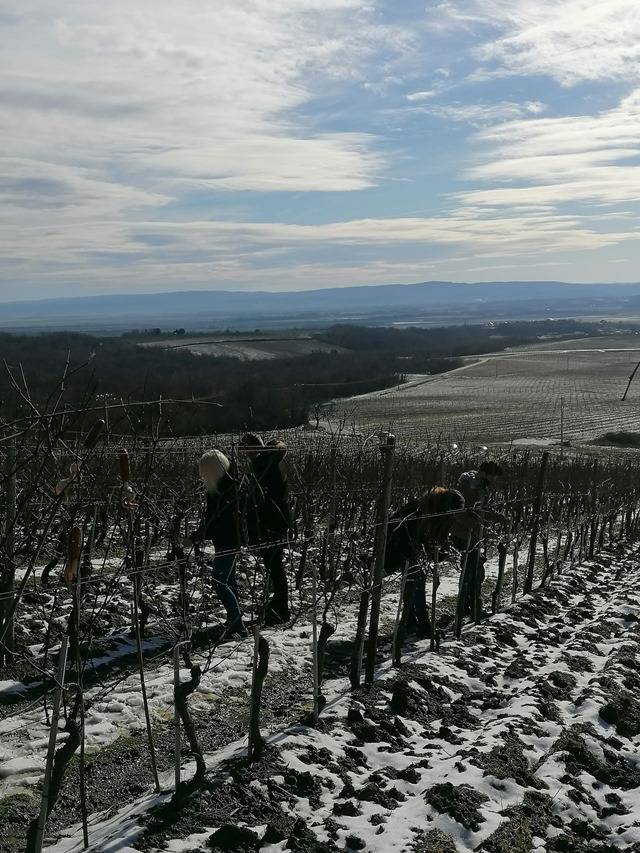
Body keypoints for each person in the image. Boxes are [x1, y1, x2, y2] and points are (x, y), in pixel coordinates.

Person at [385, 486, 465, 636]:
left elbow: (431, 543)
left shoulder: (434, 510)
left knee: (414, 583)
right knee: (416, 581)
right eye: (453, 513)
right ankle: (420, 625)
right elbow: (419, 541)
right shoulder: (421, 512)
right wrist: (436, 555)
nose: (454, 517)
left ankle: (410, 622)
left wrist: (441, 553)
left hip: (407, 546)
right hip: (398, 545)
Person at [191, 449, 246, 639]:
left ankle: (238, 625)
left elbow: (214, 522)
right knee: (228, 580)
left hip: (227, 541)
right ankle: (234, 620)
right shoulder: (229, 485)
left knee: (219, 581)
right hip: (228, 540)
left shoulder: (224, 492)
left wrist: (195, 537)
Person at [240, 433, 292, 626]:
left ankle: (281, 609)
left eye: (246, 449)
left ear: (254, 448)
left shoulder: (264, 467)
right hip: (278, 521)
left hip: (271, 523)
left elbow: (262, 500)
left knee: (275, 566)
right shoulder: (272, 463)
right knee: (275, 566)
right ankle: (279, 606)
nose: (244, 454)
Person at [454, 460, 504, 620]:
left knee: (475, 571)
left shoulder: (481, 486)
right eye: (493, 476)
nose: (495, 480)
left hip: (473, 534)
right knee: (472, 572)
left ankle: (468, 606)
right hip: (463, 534)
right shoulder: (469, 487)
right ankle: (468, 608)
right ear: (485, 473)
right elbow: (460, 512)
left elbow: (482, 511)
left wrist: (499, 518)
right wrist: (477, 527)